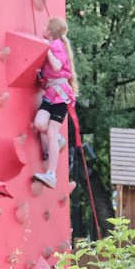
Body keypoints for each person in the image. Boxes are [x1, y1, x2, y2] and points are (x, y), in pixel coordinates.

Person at [30, 25, 77, 190]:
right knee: (40, 124)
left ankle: (51, 174)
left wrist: (47, 49)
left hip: (60, 94)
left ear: (49, 31)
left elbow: (57, 66)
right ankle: (57, 140)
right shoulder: (55, 45)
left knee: (51, 131)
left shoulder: (56, 45)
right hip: (50, 93)